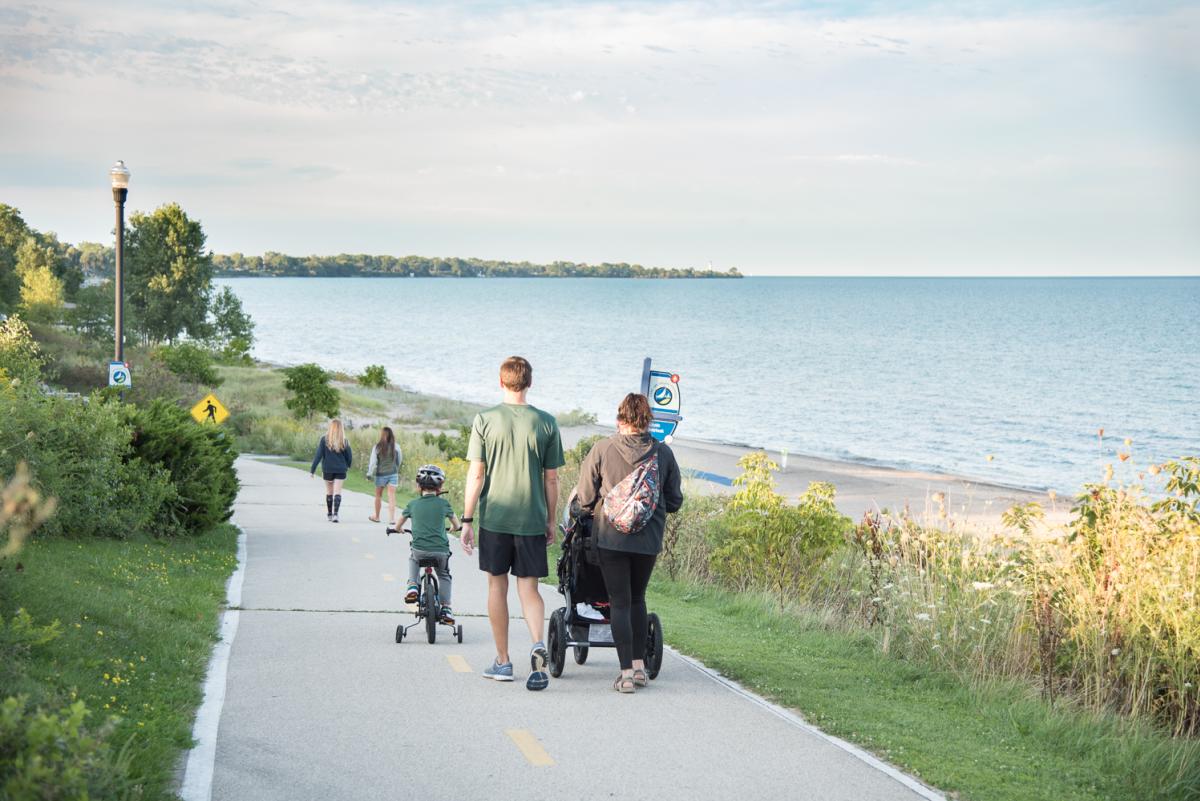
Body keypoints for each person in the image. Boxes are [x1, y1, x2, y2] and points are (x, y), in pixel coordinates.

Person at [460, 356, 564, 691]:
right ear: (529, 383)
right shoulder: (546, 423)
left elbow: (476, 474)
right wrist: (550, 519)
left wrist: (467, 518)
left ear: (501, 382)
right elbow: (552, 480)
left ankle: (503, 661)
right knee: (529, 589)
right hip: (531, 518)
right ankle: (536, 641)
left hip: (496, 518)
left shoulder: (485, 420)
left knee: (496, 587)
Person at [574, 393, 683, 693]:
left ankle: (624, 675)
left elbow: (584, 498)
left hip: (611, 538)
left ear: (619, 419)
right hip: (647, 540)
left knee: (619, 601)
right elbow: (674, 501)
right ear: (648, 421)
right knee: (638, 599)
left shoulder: (602, 449)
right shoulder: (663, 454)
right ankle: (638, 668)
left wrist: (590, 509)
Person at [392, 465, 460, 624]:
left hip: (420, 550)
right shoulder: (444, 505)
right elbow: (456, 525)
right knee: (444, 575)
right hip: (440, 552)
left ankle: (413, 587)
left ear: (418, 486)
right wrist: (453, 528)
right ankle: (446, 609)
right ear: (440, 487)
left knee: (413, 559)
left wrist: (399, 529)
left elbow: (397, 525)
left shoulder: (412, 504)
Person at [310, 419, 353, 523]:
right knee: (337, 492)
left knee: (329, 492)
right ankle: (335, 515)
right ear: (341, 429)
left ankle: (329, 514)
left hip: (328, 469)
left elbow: (318, 456)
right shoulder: (344, 441)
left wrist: (312, 470)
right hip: (340, 470)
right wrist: (348, 466)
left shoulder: (324, 440)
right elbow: (349, 456)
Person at [366, 426, 402, 524]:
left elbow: (373, 462)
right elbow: (399, 460)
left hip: (380, 474)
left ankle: (377, 517)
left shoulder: (377, 447)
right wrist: (396, 468)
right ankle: (391, 519)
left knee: (378, 496)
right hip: (393, 474)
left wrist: (369, 474)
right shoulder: (396, 446)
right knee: (391, 496)